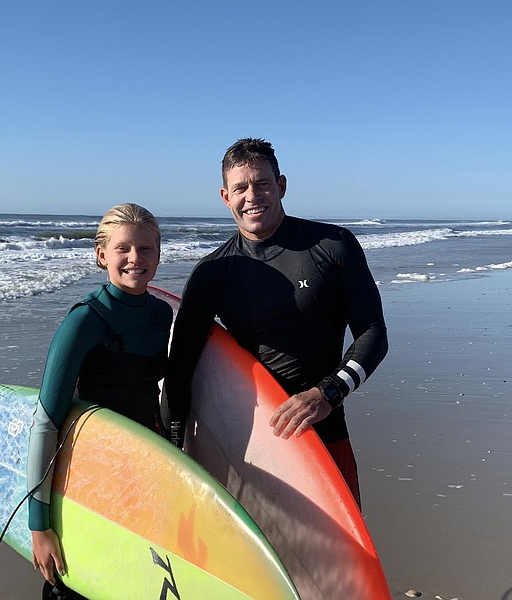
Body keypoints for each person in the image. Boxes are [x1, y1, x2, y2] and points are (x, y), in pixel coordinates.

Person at [164, 138, 388, 508]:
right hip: (251, 444)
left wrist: (327, 394)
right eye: (240, 188)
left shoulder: (333, 246)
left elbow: (374, 335)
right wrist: (173, 454)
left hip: (323, 433)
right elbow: (180, 370)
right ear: (225, 196)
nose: (252, 196)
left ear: (281, 186)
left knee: (342, 563)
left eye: (262, 184)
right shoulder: (212, 272)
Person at [27, 203, 173, 600]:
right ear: (101, 254)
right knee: (79, 584)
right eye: (123, 248)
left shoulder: (162, 316)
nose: (135, 259)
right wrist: (39, 527)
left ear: (159, 253)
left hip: (146, 464)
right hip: (90, 472)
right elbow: (45, 422)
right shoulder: (85, 321)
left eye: (146, 249)